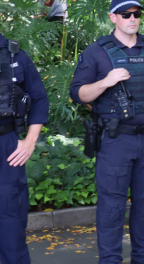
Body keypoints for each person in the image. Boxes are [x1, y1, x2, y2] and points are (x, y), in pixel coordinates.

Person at [70, 0, 144, 264]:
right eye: (125, 14)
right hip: (116, 140)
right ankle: (110, 260)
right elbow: (78, 94)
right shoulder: (96, 52)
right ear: (113, 17)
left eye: (136, 14)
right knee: (112, 206)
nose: (132, 19)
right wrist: (105, 82)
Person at [0, 34, 49, 264]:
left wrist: (30, 141)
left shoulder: (14, 55)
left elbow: (39, 98)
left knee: (10, 225)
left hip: (6, 146)